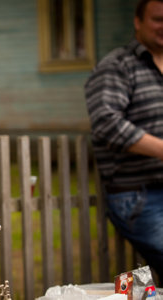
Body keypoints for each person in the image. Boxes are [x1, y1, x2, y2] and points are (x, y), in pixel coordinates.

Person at [85, 0, 163, 284]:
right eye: (158, 19)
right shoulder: (117, 66)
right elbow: (107, 123)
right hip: (140, 195)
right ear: (137, 21)